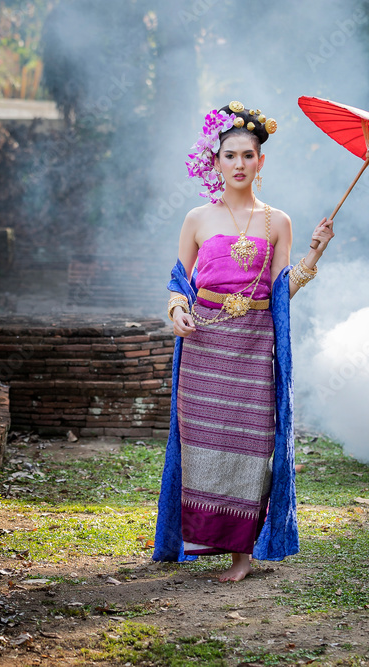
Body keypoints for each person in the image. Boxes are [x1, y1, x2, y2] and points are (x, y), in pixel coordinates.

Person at [153, 101, 334, 582]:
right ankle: (201, 540)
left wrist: (315, 251)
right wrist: (177, 312)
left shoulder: (278, 223)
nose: (238, 164)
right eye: (229, 155)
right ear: (215, 162)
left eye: (247, 156)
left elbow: (281, 290)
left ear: (261, 162)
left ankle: (242, 557)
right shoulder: (197, 219)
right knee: (203, 445)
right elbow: (178, 282)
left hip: (255, 349)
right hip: (205, 348)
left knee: (251, 446)